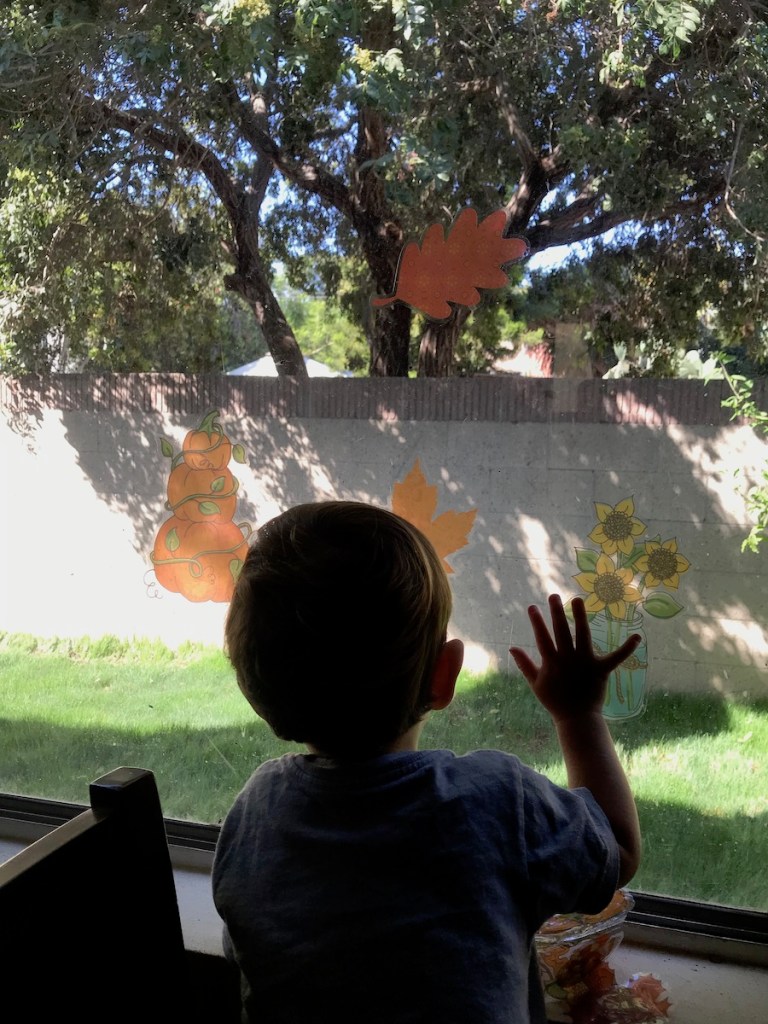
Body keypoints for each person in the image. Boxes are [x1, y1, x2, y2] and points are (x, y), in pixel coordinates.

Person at [212, 500, 642, 1024]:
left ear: (258, 688)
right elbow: (616, 850)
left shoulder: (253, 818)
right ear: (445, 676)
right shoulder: (500, 803)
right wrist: (578, 715)